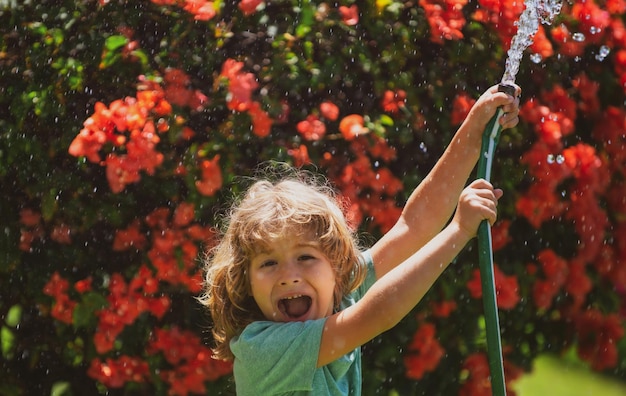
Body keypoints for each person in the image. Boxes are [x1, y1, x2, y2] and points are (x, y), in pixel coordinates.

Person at [198, 84, 521, 395]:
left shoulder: (340, 293)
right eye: (268, 263)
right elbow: (376, 315)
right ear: (245, 282)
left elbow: (414, 226)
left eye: (306, 257)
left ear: (336, 268)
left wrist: (475, 130)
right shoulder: (262, 349)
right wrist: (459, 231)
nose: (290, 275)